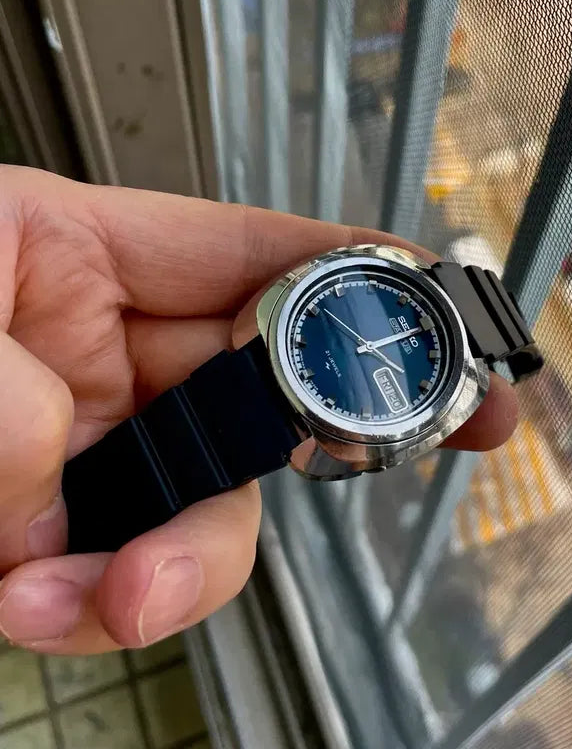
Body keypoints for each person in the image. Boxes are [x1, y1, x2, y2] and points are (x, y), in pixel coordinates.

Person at [0, 166, 519, 655]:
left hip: (279, 397)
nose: (367, 349)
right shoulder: (394, 279)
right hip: (261, 369)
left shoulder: (445, 379)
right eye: (369, 344)